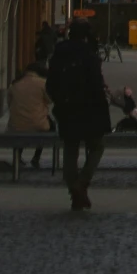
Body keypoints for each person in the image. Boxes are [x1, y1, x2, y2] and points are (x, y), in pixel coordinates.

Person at [46, 21, 113, 211]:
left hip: (67, 110)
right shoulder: (89, 56)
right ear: (84, 36)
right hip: (89, 109)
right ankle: (81, 184)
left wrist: (60, 101)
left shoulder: (58, 55)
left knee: (70, 148)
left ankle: (75, 190)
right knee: (97, 146)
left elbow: (50, 85)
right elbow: (96, 85)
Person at [6, 60, 52, 170]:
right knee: (49, 126)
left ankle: (18, 156)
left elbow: (9, 103)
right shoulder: (42, 83)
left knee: (21, 126)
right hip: (38, 124)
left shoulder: (15, 84)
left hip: (16, 125)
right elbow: (50, 100)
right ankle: (36, 157)